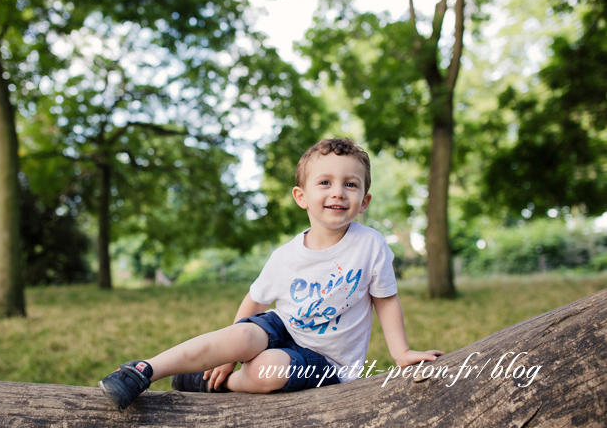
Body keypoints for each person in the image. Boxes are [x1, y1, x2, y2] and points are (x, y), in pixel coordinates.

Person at [99, 138, 443, 412]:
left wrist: (401, 354)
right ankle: (144, 371)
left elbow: (385, 300)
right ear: (302, 197)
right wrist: (229, 356)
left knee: (270, 368)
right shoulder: (286, 256)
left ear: (364, 201)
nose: (338, 191)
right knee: (244, 336)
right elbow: (254, 301)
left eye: (350, 184)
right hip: (283, 325)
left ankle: (221, 384)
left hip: (328, 362)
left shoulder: (371, 245)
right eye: (325, 182)